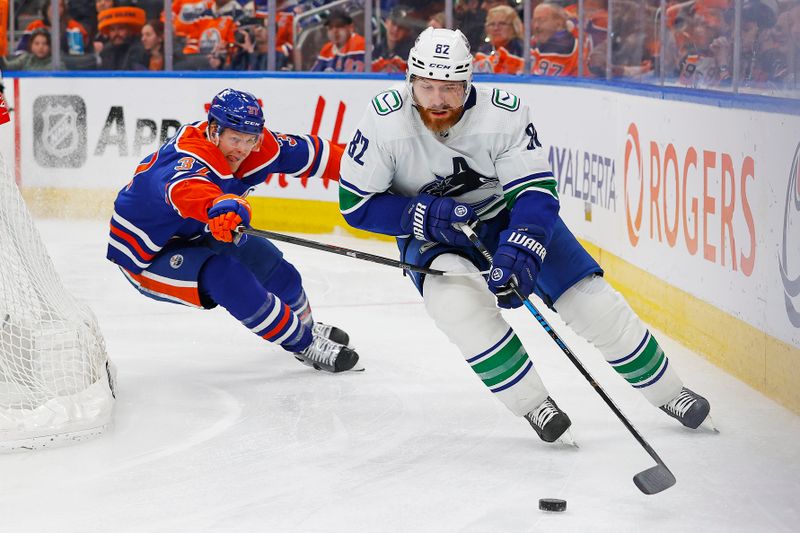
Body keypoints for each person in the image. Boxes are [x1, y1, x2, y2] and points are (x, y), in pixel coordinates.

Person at [338, 28, 711, 443]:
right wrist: (417, 212)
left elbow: (534, 192)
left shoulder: (503, 114)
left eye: (450, 88)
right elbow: (356, 205)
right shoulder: (384, 119)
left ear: (468, 84)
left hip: (505, 217)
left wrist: (523, 245)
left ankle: (670, 391)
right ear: (410, 81)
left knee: (592, 302)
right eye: (426, 88)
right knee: (457, 307)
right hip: (430, 237)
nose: (438, 100)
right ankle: (534, 404)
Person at [106, 88, 359, 373]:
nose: (242, 148)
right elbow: (187, 190)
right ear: (214, 131)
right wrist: (222, 207)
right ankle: (303, 344)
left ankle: (307, 328)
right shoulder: (185, 160)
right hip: (149, 254)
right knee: (226, 276)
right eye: (234, 138)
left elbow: (315, 154)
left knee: (276, 269)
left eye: (250, 139)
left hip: (201, 229)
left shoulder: (259, 148)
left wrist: (369, 172)